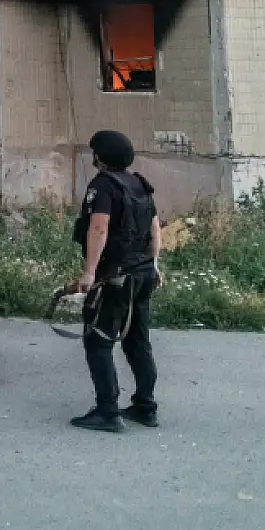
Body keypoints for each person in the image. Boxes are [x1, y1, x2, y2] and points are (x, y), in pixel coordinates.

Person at [70, 129, 162, 433]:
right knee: (138, 340)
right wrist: (154, 265)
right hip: (142, 272)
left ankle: (107, 412)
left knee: (98, 340)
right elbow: (154, 228)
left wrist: (89, 273)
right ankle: (145, 407)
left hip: (116, 276)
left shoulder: (103, 186)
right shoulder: (140, 184)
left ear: (101, 156)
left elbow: (99, 228)